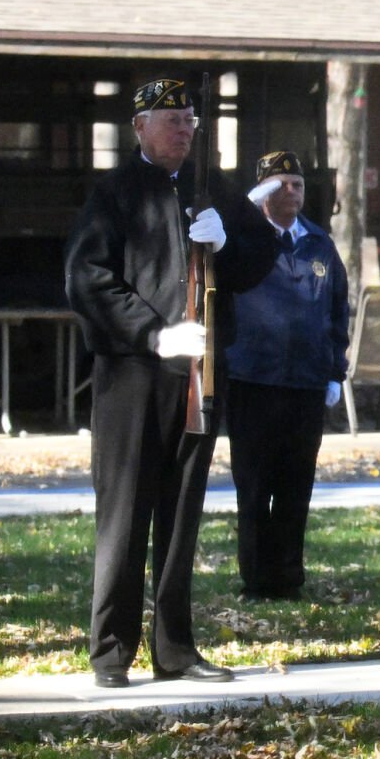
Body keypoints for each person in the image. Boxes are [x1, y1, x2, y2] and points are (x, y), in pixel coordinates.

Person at [64, 78, 279, 688]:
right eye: (170, 120)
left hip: (202, 374)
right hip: (133, 376)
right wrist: (154, 334)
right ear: (139, 128)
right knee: (126, 514)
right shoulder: (114, 194)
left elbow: (258, 260)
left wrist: (231, 237)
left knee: (181, 515)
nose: (183, 129)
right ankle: (111, 651)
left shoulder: (213, 191)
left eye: (189, 119)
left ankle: (175, 649)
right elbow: (87, 279)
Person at [223, 151, 349, 601]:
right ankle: (257, 579)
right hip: (253, 380)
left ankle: (288, 577)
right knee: (255, 487)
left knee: (296, 486)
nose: (292, 191)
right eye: (281, 185)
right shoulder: (244, 240)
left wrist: (336, 370)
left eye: (297, 184)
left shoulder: (319, 244)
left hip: (305, 384)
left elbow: (337, 311)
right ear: (263, 193)